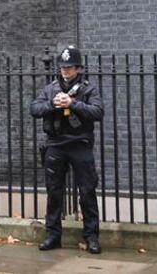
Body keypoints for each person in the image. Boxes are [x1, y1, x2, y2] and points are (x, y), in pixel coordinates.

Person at [30, 45, 104, 254]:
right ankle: (53, 236)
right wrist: (53, 105)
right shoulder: (51, 88)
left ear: (78, 68)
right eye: (63, 67)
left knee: (87, 192)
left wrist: (73, 103)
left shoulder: (89, 89)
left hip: (80, 145)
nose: (65, 71)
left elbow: (98, 112)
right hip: (55, 145)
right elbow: (34, 108)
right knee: (54, 193)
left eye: (70, 67)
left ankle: (91, 237)